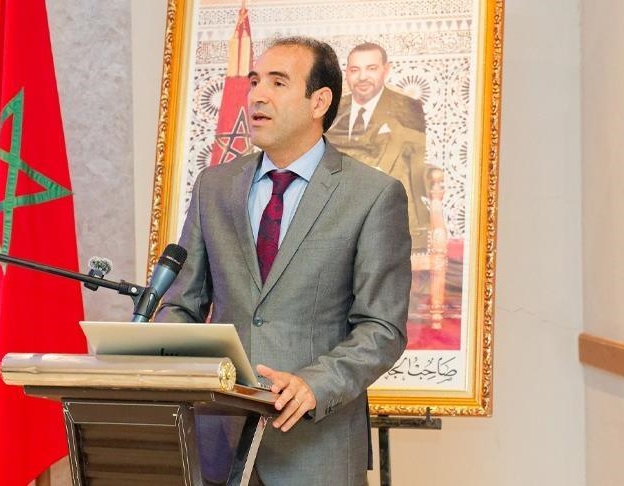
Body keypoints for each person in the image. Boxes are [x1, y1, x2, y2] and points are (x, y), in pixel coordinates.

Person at [155, 36, 411, 486]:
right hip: (217, 445)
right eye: (254, 81)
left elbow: (382, 328)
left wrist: (315, 384)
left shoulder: (372, 196)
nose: (257, 95)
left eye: (277, 82)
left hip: (315, 448)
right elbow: (182, 303)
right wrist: (156, 349)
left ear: (319, 102)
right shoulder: (215, 187)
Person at [327, 42, 431, 250]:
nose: (362, 77)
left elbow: (409, 167)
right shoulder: (334, 109)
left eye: (371, 68)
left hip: (387, 219)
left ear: (386, 70)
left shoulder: (407, 108)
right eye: (355, 70)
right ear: (346, 74)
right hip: (338, 218)